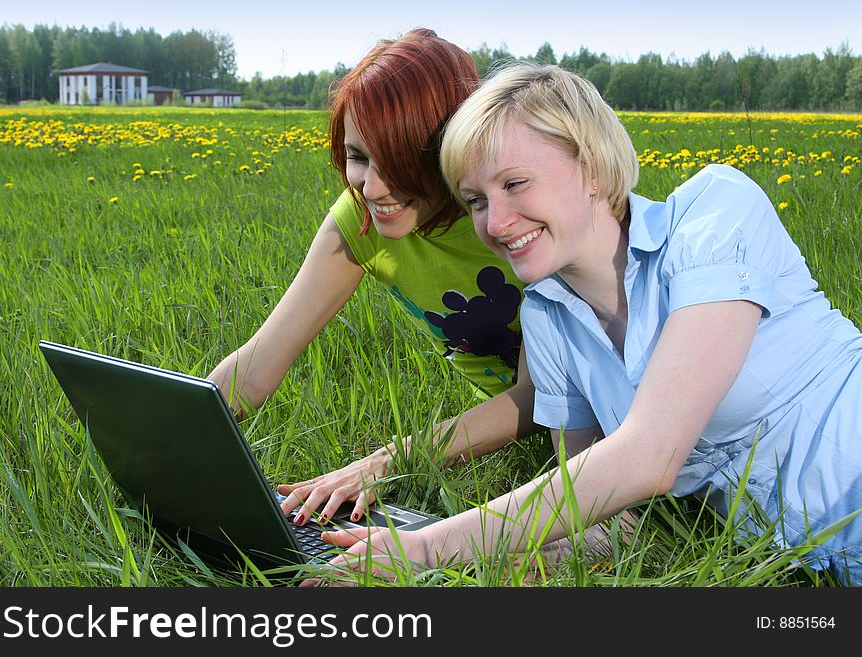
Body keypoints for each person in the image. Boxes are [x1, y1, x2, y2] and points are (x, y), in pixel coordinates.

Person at [314, 62, 862, 586]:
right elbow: (598, 521)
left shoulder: (714, 217)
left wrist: (430, 547)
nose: (497, 223)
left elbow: (652, 455)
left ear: (593, 169)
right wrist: (434, 566)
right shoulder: (547, 320)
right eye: (476, 200)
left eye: (516, 183)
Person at [207, 29, 545, 529]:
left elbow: (538, 396)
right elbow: (258, 365)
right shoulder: (361, 219)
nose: (374, 186)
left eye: (401, 161)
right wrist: (176, 431)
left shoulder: (510, 217)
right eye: (358, 156)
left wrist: (383, 462)